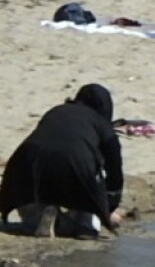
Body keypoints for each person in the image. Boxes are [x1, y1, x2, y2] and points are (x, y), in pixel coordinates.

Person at [0, 85, 123, 238]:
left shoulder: (56, 111)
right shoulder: (101, 124)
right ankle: (81, 227)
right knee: (89, 191)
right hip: (75, 163)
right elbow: (114, 170)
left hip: (25, 163)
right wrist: (107, 209)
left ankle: (38, 219)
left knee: (32, 201)